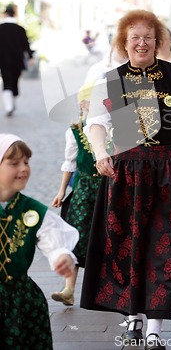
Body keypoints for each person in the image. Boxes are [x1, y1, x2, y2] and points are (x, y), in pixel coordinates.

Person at [80, 9, 171, 350]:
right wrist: (101, 153)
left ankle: (155, 327)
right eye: (134, 38)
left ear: (157, 42)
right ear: (124, 44)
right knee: (128, 244)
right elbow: (96, 123)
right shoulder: (112, 78)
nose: (142, 43)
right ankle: (132, 318)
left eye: (148, 37)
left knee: (167, 244)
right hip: (127, 171)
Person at [0, 133, 79, 349]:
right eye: (14, 163)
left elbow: (52, 239)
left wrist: (61, 256)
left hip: (21, 301)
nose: (23, 168)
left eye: (26, 162)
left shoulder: (33, 210)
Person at [51, 83, 102, 306]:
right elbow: (69, 163)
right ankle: (69, 289)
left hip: (106, 188)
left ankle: (108, 288)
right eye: (84, 103)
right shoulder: (75, 130)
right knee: (76, 235)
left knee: (107, 234)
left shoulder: (109, 127)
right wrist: (62, 191)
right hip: (83, 190)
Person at [0, 4, 34, 117]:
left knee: (6, 81)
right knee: (14, 81)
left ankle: (9, 105)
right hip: (17, 60)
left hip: (3, 60)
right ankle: (11, 104)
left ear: (5, 14)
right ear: (14, 14)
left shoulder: (1, 28)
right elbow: (26, 45)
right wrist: (30, 57)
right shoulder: (20, 29)